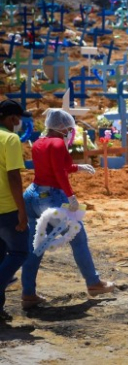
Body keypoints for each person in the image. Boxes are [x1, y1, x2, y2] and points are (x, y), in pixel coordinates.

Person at [21, 109, 114, 309]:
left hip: (32, 194)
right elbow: (58, 172)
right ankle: (94, 283)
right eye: (69, 129)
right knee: (78, 236)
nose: (70, 132)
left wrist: (78, 168)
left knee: (34, 246)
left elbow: (53, 167)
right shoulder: (58, 144)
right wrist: (71, 196)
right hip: (51, 197)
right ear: (62, 128)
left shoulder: (38, 143)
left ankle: (28, 293)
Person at [0, 99, 31, 321]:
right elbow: (13, 176)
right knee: (19, 252)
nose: (19, 122)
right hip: (6, 208)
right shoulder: (10, 139)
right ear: (11, 118)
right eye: (18, 118)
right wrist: (22, 210)